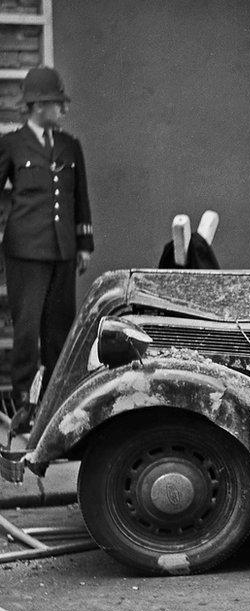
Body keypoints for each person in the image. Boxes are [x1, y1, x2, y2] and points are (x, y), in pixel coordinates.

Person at [0, 67, 93, 427]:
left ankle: (55, 403)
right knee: (26, 328)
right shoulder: (12, 144)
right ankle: (23, 402)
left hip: (63, 251)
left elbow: (79, 197)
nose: (63, 111)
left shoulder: (70, 146)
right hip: (25, 251)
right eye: (58, 104)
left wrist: (84, 243)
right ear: (39, 106)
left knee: (60, 328)